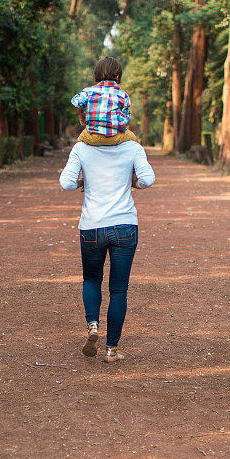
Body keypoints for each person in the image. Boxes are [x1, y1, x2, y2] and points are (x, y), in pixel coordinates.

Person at [59, 76, 155, 363]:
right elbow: (148, 179)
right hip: (125, 225)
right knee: (119, 289)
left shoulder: (82, 148)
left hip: (92, 226)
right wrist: (133, 183)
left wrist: (82, 181)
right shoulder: (132, 147)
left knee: (91, 278)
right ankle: (112, 349)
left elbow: (65, 183)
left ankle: (93, 325)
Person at [71, 56, 138, 147]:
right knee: (133, 138)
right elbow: (126, 118)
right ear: (118, 76)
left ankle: (74, 161)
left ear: (96, 74)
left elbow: (75, 102)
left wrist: (81, 115)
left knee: (78, 145)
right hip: (114, 137)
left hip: (91, 137)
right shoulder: (123, 94)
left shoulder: (89, 91)